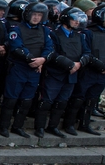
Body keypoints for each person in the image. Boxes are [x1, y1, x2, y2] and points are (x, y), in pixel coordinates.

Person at [34, 8, 90, 137]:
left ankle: (53, 127)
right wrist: (69, 64)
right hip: (55, 74)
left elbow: (87, 52)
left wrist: (79, 64)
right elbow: (52, 52)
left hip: (72, 74)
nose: (77, 23)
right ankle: (40, 127)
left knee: (62, 102)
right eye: (74, 20)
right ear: (66, 19)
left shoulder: (80, 35)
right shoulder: (54, 33)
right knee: (46, 101)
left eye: (78, 20)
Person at [0, 3, 53, 138]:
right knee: (11, 99)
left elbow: (49, 47)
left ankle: (18, 126)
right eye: (34, 14)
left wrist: (43, 59)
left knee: (27, 100)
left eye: (39, 15)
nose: (36, 18)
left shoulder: (45, 31)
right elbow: (16, 46)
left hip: (35, 70)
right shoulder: (16, 29)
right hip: (19, 68)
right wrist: (31, 59)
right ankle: (4, 126)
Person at [64, 5, 105, 135]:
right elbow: (86, 52)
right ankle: (69, 124)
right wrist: (100, 66)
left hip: (103, 73)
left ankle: (85, 123)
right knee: (78, 98)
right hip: (88, 71)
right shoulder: (88, 33)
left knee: (92, 99)